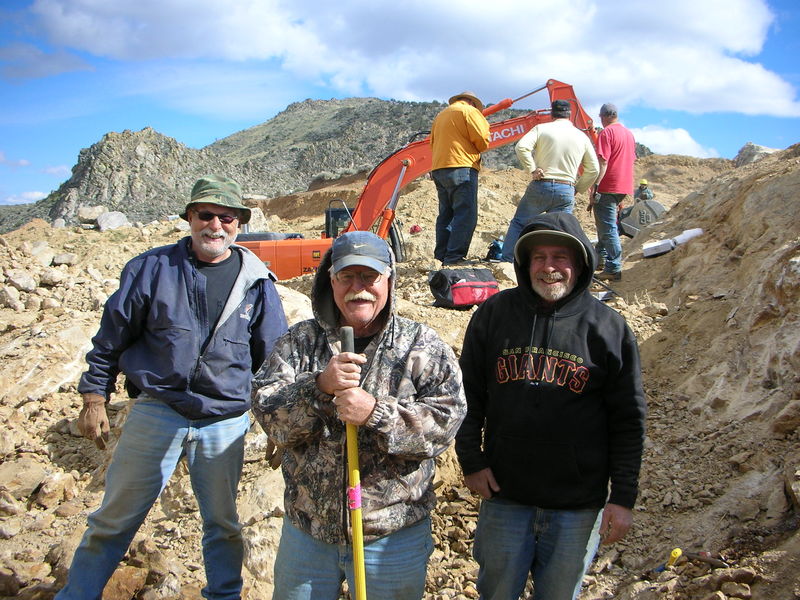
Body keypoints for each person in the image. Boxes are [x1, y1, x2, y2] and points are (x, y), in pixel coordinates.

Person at [56, 175, 288, 600]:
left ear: (239, 224)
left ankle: (224, 594)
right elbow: (111, 337)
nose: (215, 225)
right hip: (157, 409)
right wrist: (94, 396)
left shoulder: (258, 281)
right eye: (205, 215)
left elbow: (274, 361)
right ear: (189, 218)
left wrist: (280, 424)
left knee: (222, 522)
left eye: (226, 217)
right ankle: (78, 594)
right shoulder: (151, 269)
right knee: (114, 518)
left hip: (224, 419)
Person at [252, 230, 466, 600]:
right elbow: (270, 417)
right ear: (330, 280)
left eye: (370, 276)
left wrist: (376, 414)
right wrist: (318, 387)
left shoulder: (421, 345)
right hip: (308, 534)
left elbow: (445, 425)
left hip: (392, 535)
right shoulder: (299, 342)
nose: (359, 287)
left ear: (389, 280)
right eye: (347, 276)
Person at [455, 212, 646, 600]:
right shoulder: (493, 315)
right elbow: (467, 393)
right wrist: (471, 461)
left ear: (579, 263)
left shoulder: (608, 329)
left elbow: (628, 419)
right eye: (539, 257)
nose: (549, 267)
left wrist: (622, 498)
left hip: (577, 506)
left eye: (560, 256)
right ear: (525, 265)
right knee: (496, 593)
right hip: (505, 496)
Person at [500, 99, 599, 262]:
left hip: (542, 184)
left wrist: (532, 168)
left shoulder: (541, 129)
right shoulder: (581, 137)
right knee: (559, 230)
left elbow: (521, 147)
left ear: (552, 113)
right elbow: (593, 169)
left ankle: (508, 261)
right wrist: (577, 188)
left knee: (520, 223)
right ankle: (557, 263)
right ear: (569, 115)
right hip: (566, 188)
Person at [430, 90, 491, 265]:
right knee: (466, 214)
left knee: (446, 214)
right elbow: (482, 139)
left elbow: (431, 143)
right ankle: (455, 257)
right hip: (462, 165)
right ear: (471, 102)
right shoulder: (469, 112)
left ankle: (441, 257)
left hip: (439, 168)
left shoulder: (440, 116)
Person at [591, 103, 636, 281]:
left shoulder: (606, 133)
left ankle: (613, 267)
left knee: (607, 226)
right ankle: (600, 259)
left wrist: (595, 185)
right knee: (606, 223)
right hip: (623, 186)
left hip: (608, 185)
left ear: (603, 116)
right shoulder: (629, 134)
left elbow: (603, 162)